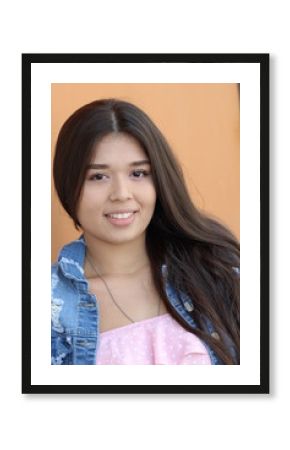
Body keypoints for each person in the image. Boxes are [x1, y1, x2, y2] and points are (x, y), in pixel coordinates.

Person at [51, 98, 240, 365]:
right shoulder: (48, 306)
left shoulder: (216, 269)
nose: (121, 194)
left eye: (138, 173)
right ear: (68, 185)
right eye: (98, 176)